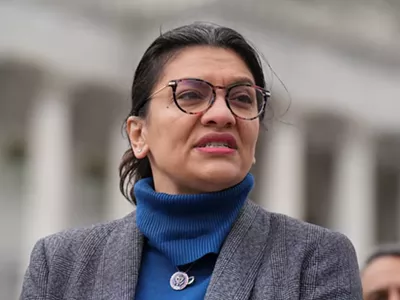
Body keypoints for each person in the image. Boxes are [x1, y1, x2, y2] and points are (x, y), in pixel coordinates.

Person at [20, 22, 362, 300]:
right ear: (139, 135)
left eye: (242, 99)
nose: (221, 114)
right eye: (190, 95)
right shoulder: (61, 264)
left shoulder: (315, 259)